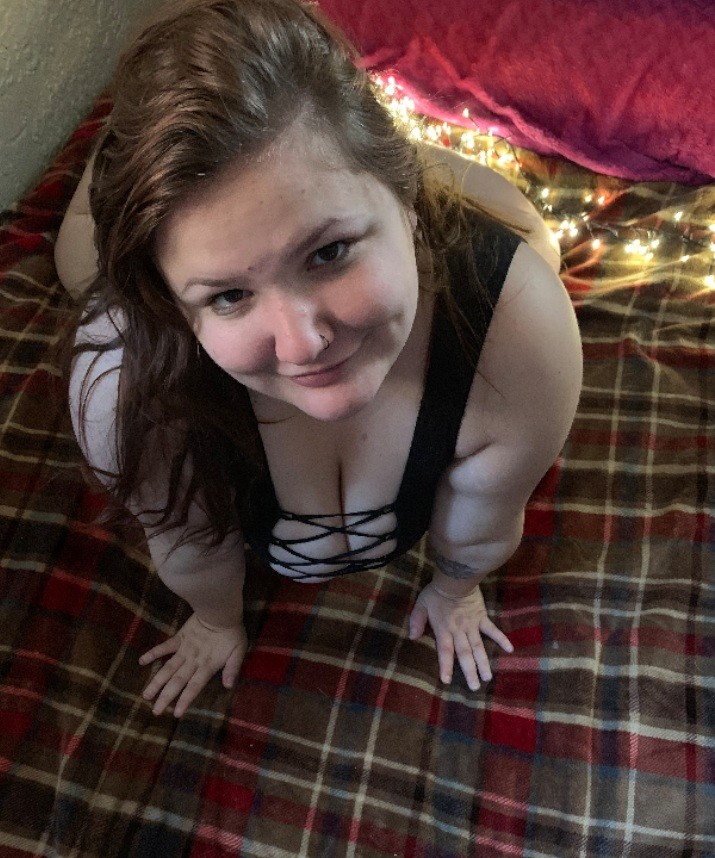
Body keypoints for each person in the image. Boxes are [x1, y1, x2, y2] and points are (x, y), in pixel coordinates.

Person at [55, 0, 582, 718]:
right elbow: (186, 545)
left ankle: (373, 168)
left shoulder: (519, 320)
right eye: (229, 295)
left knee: (542, 245)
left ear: (405, 203)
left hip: (410, 201)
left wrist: (456, 591)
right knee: (76, 261)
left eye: (329, 252)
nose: (302, 344)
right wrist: (215, 620)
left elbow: (487, 517)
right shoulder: (121, 384)